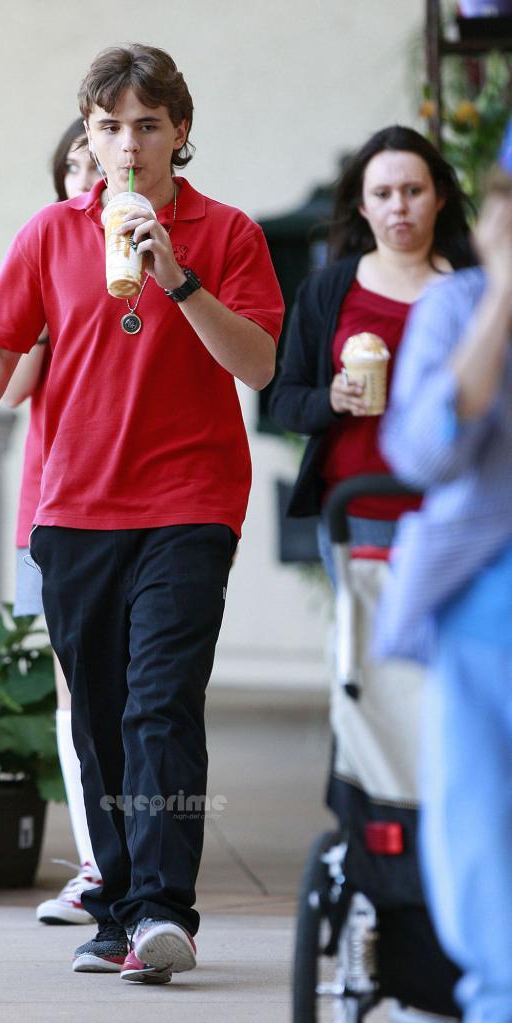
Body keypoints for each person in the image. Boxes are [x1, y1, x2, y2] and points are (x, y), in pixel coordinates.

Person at [0, 43, 283, 985]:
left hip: (190, 503)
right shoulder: (50, 232)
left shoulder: (228, 233)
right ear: (89, 134)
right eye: (110, 126)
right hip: (75, 505)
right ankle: (119, 906)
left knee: (162, 703)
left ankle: (166, 909)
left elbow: (257, 364)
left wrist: (179, 278)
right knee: (100, 719)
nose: (130, 144)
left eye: (149, 126)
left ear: (180, 134)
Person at [374, 146, 512, 1023]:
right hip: (483, 613)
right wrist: (501, 298)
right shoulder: (456, 305)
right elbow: (423, 451)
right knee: (485, 847)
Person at [269, 125, 475, 583]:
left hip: (458, 509)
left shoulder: (474, 287)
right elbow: (286, 402)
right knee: (369, 652)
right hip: (359, 510)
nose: (398, 206)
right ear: (363, 206)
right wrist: (333, 399)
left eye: (413, 190)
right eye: (382, 194)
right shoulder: (329, 290)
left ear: (439, 197)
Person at [3, 118, 102, 926]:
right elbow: (8, 386)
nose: (84, 175)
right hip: (51, 500)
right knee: (75, 694)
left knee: (145, 691)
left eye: (92, 160)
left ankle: (145, 857)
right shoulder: (48, 253)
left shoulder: (152, 251)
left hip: (140, 506)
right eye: (71, 165)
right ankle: (100, 861)